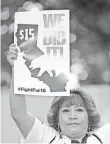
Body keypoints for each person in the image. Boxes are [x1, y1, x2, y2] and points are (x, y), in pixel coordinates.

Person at [7, 43, 102, 144]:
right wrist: (17, 68)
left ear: (90, 117)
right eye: (65, 110)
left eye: (79, 110)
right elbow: (19, 114)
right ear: (57, 119)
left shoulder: (103, 138)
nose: (72, 116)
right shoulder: (46, 137)